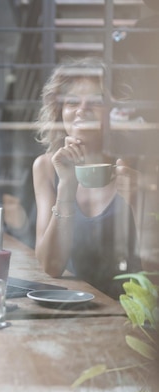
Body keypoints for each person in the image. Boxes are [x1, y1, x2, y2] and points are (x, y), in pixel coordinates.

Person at [32, 57, 159, 299]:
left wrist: (138, 200)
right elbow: (51, 266)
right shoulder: (47, 168)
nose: (81, 109)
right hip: (71, 308)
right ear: (60, 111)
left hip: (133, 317)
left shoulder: (138, 166)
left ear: (114, 111)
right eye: (71, 102)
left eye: (96, 102)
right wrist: (66, 187)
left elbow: (154, 272)